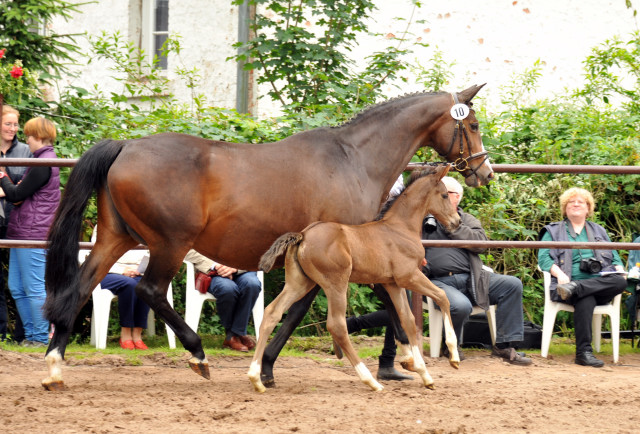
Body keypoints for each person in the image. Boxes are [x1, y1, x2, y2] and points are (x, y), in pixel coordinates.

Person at [424, 176, 532, 366]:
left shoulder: (468, 220)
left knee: (512, 285)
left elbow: (480, 244)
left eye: (444, 193)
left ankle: (504, 346)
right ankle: (450, 344)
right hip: (438, 281)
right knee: (461, 305)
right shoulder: (425, 221)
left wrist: (453, 226)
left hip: (473, 278)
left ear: (457, 197)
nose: (437, 197)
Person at [538, 187, 626, 367]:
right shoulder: (553, 231)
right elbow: (543, 258)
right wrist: (560, 274)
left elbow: (615, 257)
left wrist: (620, 270)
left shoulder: (599, 230)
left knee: (619, 280)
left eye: (581, 202)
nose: (576, 204)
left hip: (597, 284)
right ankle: (583, 353)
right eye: (571, 201)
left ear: (588, 208)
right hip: (566, 284)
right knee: (586, 298)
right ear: (565, 207)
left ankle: (577, 288)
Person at [0, 116, 60, 347]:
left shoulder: (44, 162)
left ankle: (41, 337)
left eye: (28, 136)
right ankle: (33, 336)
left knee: (33, 288)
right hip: (23, 231)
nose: (27, 140)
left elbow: (16, 195)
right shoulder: (40, 159)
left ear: (38, 137)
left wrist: (3, 176)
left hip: (33, 233)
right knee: (16, 286)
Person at [185, 250, 262, 352]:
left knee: (252, 285)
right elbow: (187, 251)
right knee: (227, 289)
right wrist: (215, 266)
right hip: (213, 273)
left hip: (242, 270)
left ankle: (234, 334)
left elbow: (255, 252)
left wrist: (235, 267)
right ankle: (236, 334)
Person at [92, 227, 151, 350]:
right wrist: (121, 271)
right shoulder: (106, 225)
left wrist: (140, 269)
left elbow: (149, 253)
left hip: (136, 272)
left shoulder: (141, 223)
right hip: (107, 272)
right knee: (129, 284)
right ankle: (125, 334)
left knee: (146, 285)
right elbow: (98, 255)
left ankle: (137, 335)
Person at [0, 105, 31, 343]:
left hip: (17, 221)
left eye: (15, 124)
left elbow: (26, 189)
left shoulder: (25, 151)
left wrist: (6, 191)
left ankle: (22, 335)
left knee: (21, 281)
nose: (12, 128)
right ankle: (1, 333)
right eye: (7, 123)